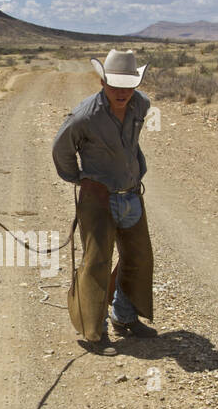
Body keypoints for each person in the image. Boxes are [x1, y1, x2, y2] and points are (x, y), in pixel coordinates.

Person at [52, 49, 156, 347]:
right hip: (98, 198)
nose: (122, 92)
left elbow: (131, 143)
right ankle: (92, 332)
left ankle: (124, 316)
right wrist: (80, 178)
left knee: (139, 257)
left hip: (132, 194)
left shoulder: (141, 104)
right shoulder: (86, 115)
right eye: (115, 85)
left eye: (128, 85)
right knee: (97, 261)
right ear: (102, 81)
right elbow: (61, 148)